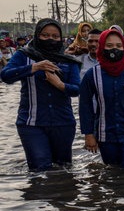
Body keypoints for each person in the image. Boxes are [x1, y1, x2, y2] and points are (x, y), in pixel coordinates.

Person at [1, 19, 82, 171]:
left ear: (61, 38)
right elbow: (5, 76)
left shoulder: (68, 61)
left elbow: (77, 89)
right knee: (39, 168)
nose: (50, 39)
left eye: (55, 36)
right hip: (32, 123)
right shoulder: (23, 55)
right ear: (37, 36)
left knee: (63, 169)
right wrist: (34, 67)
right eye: (45, 35)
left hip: (63, 123)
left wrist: (59, 84)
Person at [79, 27, 124, 169]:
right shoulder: (92, 75)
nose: (115, 49)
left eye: (119, 46)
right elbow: (85, 105)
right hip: (106, 133)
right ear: (101, 47)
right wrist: (88, 134)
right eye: (109, 46)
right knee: (113, 170)